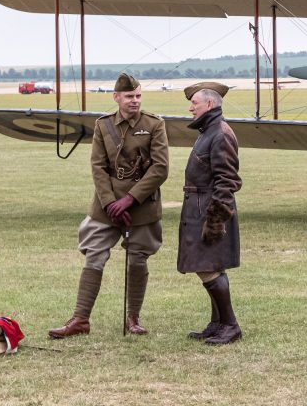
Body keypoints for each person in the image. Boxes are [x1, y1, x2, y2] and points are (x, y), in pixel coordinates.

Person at [48, 73, 169, 338]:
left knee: (138, 260)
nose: (134, 101)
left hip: (142, 205)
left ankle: (133, 319)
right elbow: (98, 167)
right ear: (117, 98)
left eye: (138, 96)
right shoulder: (103, 126)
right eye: (129, 96)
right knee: (94, 255)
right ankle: (80, 319)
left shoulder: (155, 124)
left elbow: (160, 169)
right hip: (107, 206)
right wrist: (111, 203)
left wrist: (130, 199)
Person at [179, 82, 243, 345]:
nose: (190, 107)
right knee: (210, 266)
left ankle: (230, 325)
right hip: (200, 206)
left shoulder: (220, 133)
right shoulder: (209, 130)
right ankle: (217, 324)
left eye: (194, 102)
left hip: (208, 209)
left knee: (208, 268)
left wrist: (215, 220)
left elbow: (227, 181)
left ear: (210, 104)